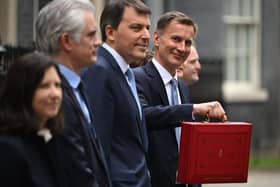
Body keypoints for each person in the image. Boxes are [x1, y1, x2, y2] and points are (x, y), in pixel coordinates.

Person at [134, 11, 227, 187]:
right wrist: (192, 109)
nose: (182, 48)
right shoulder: (138, 78)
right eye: (176, 39)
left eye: (188, 42)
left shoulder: (182, 87)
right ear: (157, 39)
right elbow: (143, 116)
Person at [35, 0, 111, 187]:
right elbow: (75, 167)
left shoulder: (77, 86)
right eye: (91, 35)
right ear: (67, 41)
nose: (98, 42)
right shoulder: (54, 96)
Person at [81, 0, 151, 186]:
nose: (146, 36)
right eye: (136, 28)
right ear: (110, 32)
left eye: (147, 28)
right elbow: (99, 147)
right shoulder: (99, 71)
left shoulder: (125, 72)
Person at [0, 52, 64, 187]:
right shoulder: (9, 150)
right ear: (23, 90)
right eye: (44, 86)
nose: (55, 94)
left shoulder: (50, 139)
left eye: (57, 85)